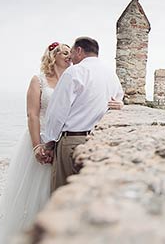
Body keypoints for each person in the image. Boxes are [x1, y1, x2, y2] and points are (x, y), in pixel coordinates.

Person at [0, 42, 72, 244]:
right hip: (40, 137)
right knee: (35, 189)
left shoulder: (71, 81)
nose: (70, 56)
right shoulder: (39, 80)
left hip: (62, 141)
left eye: (71, 53)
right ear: (53, 56)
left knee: (54, 192)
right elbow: (32, 114)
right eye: (65, 53)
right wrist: (37, 145)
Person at [38, 36, 124, 192]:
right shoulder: (111, 75)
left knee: (63, 194)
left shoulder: (74, 72)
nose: (70, 57)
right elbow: (118, 101)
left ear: (79, 50)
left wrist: (49, 142)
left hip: (72, 141)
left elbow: (58, 111)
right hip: (99, 141)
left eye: (71, 52)